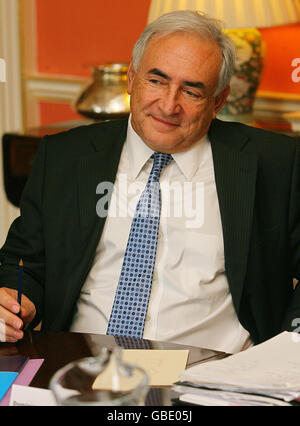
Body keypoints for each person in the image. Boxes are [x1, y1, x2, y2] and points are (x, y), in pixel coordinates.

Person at [0, 10, 299, 352]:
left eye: (191, 91)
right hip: (83, 368)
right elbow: (24, 262)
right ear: (131, 79)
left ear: (217, 101)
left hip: (213, 380)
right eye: (156, 81)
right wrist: (16, 300)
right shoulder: (64, 156)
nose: (169, 105)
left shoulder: (275, 162)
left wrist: (291, 348)